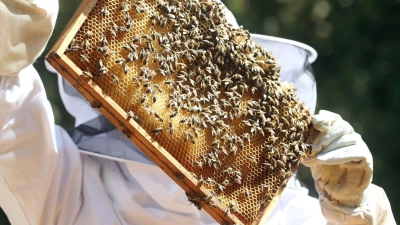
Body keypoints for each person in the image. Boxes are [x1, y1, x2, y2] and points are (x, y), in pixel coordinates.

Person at [0, 0, 395, 224]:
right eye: (164, 70)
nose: (188, 91)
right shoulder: (74, 192)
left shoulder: (291, 216)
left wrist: (356, 209)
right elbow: (11, 125)